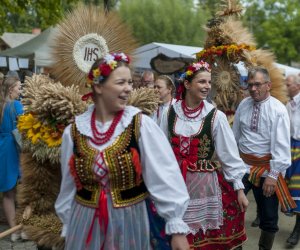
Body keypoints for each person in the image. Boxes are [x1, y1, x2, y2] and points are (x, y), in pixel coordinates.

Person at [55, 52, 190, 250]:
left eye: (129, 82)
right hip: (84, 223)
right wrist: (68, 226)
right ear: (99, 86)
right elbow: (68, 187)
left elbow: (165, 176)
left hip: (129, 222)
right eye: (120, 82)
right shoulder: (74, 131)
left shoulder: (140, 125)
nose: (128, 88)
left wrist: (176, 228)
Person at [160, 61, 249, 250]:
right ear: (187, 84)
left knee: (202, 240)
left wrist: (239, 189)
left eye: (209, 82)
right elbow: (160, 149)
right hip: (175, 184)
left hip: (204, 189)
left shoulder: (216, 116)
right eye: (201, 82)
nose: (207, 86)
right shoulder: (169, 112)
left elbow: (229, 156)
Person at [232, 66, 294, 250]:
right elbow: (235, 137)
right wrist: (231, 166)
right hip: (242, 166)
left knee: (268, 218)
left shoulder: (278, 110)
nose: (252, 89)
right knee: (232, 210)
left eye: (257, 84)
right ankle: (236, 246)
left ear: (268, 85)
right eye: (249, 84)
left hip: (267, 169)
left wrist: (273, 175)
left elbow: (282, 146)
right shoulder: (243, 104)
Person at [0, 76, 23, 242]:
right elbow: (24, 127)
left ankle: (13, 231)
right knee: (19, 190)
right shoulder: (16, 105)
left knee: (7, 192)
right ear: (10, 89)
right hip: (14, 149)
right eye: (18, 87)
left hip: (2, 149)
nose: (20, 91)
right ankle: (20, 229)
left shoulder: (1, 106)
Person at [285, 74, 300, 247]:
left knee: (298, 190)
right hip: (290, 147)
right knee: (291, 188)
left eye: (288, 84)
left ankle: (296, 230)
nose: (285, 86)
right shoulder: (289, 105)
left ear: (297, 86)